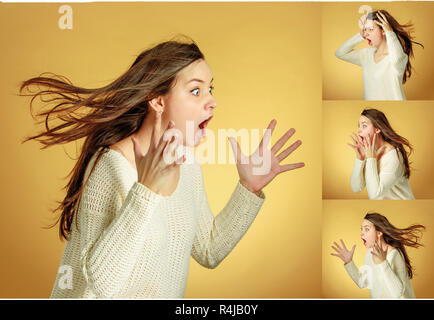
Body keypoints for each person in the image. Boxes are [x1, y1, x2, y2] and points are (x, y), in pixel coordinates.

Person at [19, 38, 305, 298]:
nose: (212, 101)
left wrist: (249, 188)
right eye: (195, 91)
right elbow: (101, 284)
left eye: (210, 89)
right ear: (157, 100)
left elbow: (208, 250)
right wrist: (144, 192)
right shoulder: (111, 165)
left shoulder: (188, 163)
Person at [331, 212, 425, 299]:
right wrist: (349, 262)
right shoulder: (370, 253)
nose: (361, 233)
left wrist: (383, 263)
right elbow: (363, 283)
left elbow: (398, 294)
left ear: (379, 233)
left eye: (367, 229)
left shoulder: (394, 254)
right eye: (361, 229)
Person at [335, 10, 423, 100]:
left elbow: (397, 59)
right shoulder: (366, 55)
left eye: (371, 29)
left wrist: (390, 32)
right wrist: (360, 36)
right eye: (365, 29)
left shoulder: (398, 57)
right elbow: (340, 53)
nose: (366, 33)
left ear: (384, 30)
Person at [348, 108, 414, 200]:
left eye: (364, 126)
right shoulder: (370, 151)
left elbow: (374, 195)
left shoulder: (393, 156)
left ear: (377, 129)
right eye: (359, 126)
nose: (359, 130)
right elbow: (356, 188)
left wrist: (371, 159)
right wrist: (360, 159)